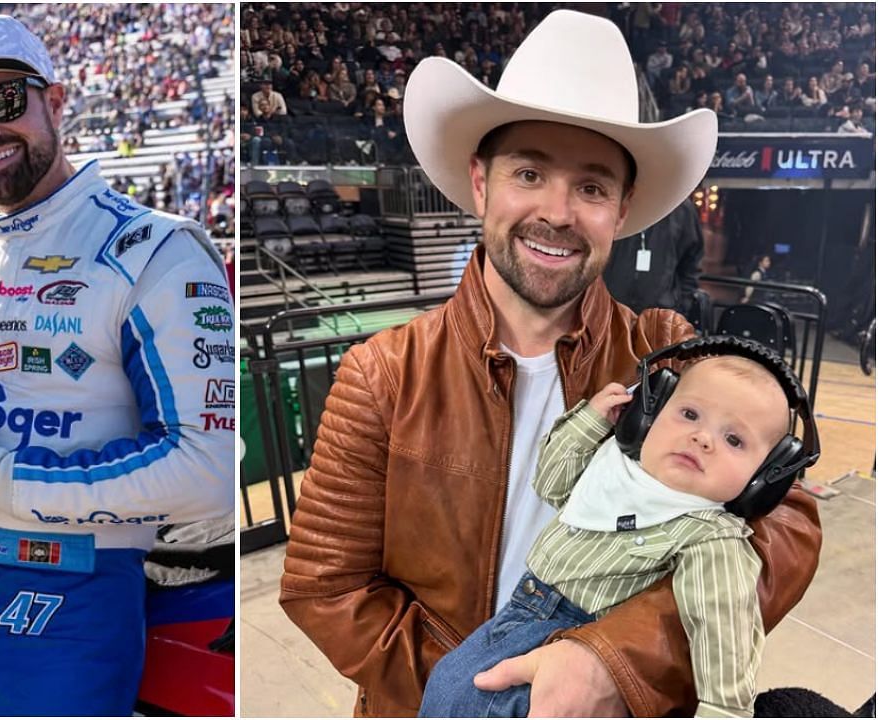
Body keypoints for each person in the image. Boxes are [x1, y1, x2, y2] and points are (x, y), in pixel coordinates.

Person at [280, 11, 820, 718]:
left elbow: (788, 526)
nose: (558, 213)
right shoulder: (384, 372)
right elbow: (325, 588)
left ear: (623, 210)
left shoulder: (663, 348)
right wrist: (486, 693)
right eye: (529, 172)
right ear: (481, 184)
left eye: (592, 188)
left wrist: (610, 663)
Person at [0, 14, 234, 716]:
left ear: (56, 101)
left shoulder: (158, 249)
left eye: (3, 101)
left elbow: (207, 472)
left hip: (63, 606)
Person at [420, 350, 816, 717]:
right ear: (649, 416)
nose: (703, 438)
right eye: (690, 414)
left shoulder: (709, 535)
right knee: (446, 689)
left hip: (571, 631)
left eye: (734, 439)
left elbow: (725, 632)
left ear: (763, 479)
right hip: (519, 612)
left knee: (465, 700)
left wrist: (724, 710)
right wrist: (591, 422)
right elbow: (552, 485)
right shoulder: (618, 470)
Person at [602, 199, 704, 315]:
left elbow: (691, 260)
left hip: (661, 315)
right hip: (610, 312)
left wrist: (681, 305)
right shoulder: (618, 200)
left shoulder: (681, 208)